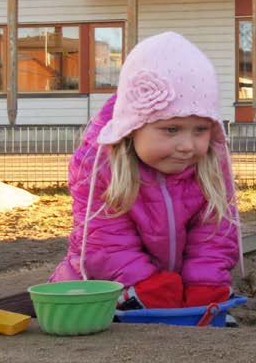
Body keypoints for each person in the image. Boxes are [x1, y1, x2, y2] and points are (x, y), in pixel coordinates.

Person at [50, 32, 241, 311]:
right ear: (134, 127)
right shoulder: (100, 165)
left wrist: (205, 284)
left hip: (173, 286)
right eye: (171, 129)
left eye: (200, 129)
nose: (188, 146)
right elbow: (105, 241)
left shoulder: (209, 162)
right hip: (103, 287)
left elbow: (215, 233)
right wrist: (145, 284)